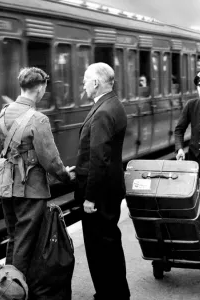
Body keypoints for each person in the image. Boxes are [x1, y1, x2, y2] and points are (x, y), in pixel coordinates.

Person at [0, 67, 75, 282]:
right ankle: (17, 290)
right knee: (25, 241)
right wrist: (65, 176)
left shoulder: (3, 113)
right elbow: (50, 160)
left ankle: (6, 286)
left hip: (5, 187)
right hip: (30, 189)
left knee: (14, 237)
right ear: (40, 89)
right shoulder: (39, 120)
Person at [74, 63, 131, 300]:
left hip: (100, 194)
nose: (84, 84)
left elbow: (99, 158)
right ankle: (117, 293)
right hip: (110, 188)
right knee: (110, 243)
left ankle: (108, 294)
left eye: (86, 80)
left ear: (96, 83)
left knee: (99, 247)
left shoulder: (103, 112)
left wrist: (90, 197)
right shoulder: (113, 104)